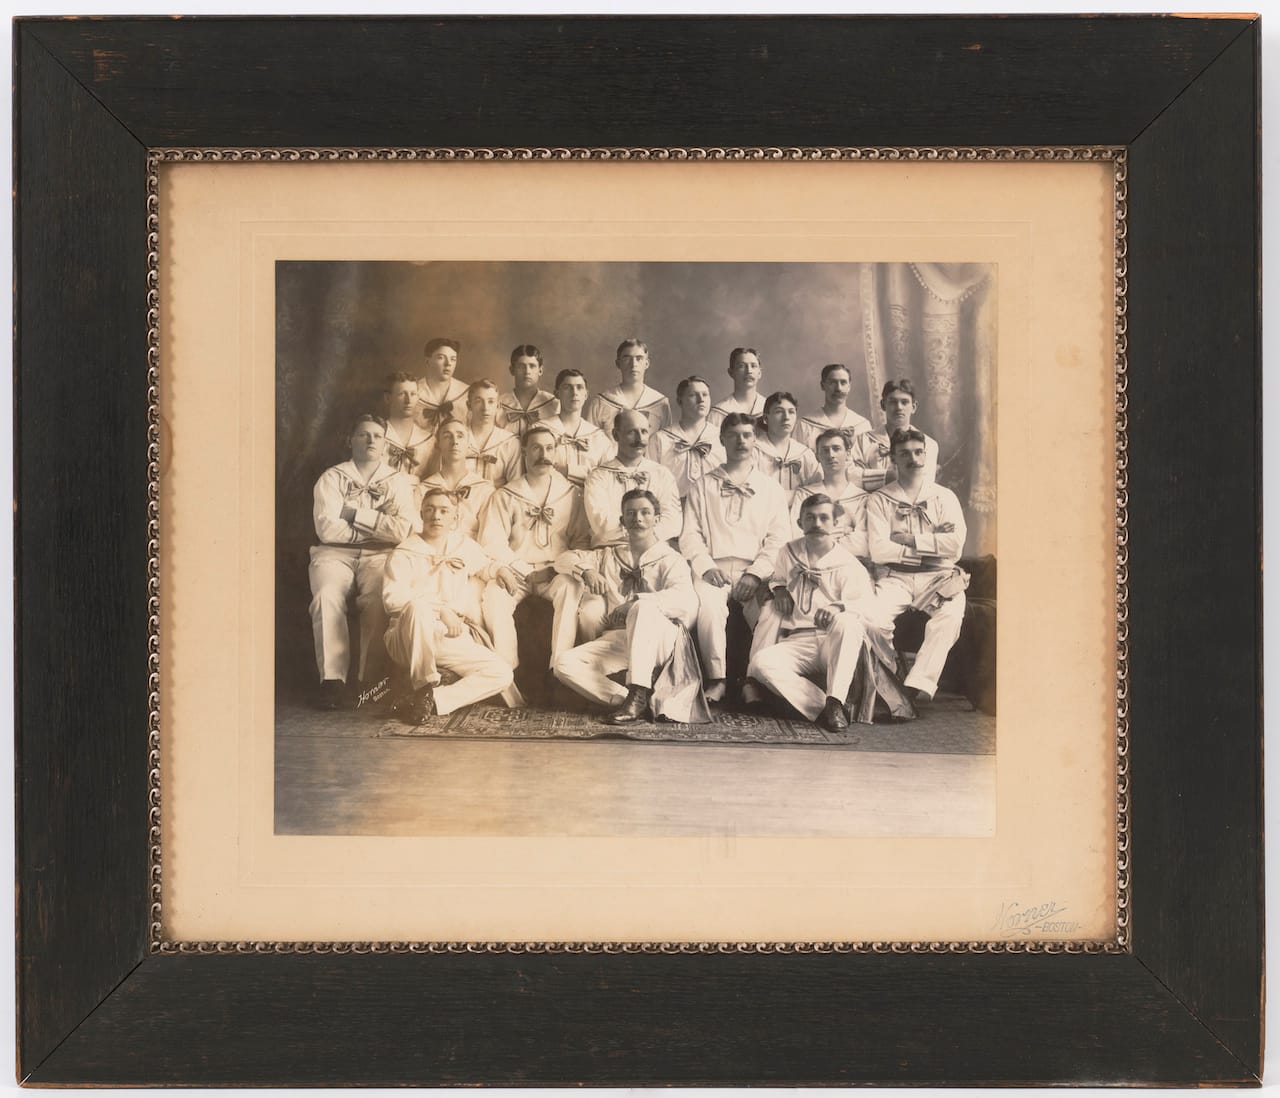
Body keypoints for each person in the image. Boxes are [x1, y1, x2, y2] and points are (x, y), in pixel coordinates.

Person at [553, 490, 707, 725]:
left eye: (645, 513)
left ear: (656, 519)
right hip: (622, 638)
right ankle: (628, 699)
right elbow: (562, 559)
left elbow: (686, 601)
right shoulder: (609, 556)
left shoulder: (671, 559)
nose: (638, 519)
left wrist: (637, 602)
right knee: (563, 664)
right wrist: (587, 571)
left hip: (661, 640)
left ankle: (638, 690)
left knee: (642, 610)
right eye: (631, 514)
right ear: (622, 521)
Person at [308, 413, 421, 708]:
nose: (371, 440)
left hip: (381, 554)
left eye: (377, 436)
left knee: (378, 598)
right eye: (363, 434)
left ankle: (367, 680)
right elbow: (327, 528)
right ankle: (332, 681)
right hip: (333, 553)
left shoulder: (397, 481)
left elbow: (402, 530)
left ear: (385, 445)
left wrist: (355, 515)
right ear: (350, 440)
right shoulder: (332, 477)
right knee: (326, 595)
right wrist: (377, 528)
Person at [680, 412, 791, 702]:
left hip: (754, 570)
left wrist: (755, 574)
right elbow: (690, 534)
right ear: (722, 439)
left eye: (747, 435)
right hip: (713, 568)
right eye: (734, 435)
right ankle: (717, 679)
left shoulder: (771, 488)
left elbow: (779, 539)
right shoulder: (702, 485)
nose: (741, 441)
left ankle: (753, 680)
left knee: (771, 612)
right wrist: (705, 567)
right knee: (709, 609)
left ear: (755, 440)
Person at [477, 425, 592, 703]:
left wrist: (554, 568)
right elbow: (491, 542)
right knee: (493, 594)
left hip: (555, 571)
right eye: (537, 448)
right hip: (518, 571)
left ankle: (559, 672)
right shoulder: (505, 495)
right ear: (524, 452)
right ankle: (508, 675)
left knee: (570, 588)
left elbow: (581, 543)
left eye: (550, 448)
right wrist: (524, 570)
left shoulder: (572, 494)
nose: (544, 455)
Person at [381, 488, 513, 725]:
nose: (436, 516)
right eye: (429, 510)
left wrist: (500, 570)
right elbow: (392, 601)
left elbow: (485, 565)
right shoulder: (404, 552)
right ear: (421, 514)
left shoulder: (462, 545)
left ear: (455, 517)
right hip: (406, 637)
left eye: (444, 511)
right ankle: (423, 684)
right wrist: (441, 610)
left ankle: (433, 699)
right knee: (417, 608)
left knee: (502, 673)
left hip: (446, 636)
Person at [747, 494, 876, 732]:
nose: (817, 524)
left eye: (823, 518)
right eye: (810, 518)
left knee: (848, 623)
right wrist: (781, 589)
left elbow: (868, 606)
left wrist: (838, 606)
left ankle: (836, 699)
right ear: (799, 523)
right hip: (800, 639)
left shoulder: (848, 564)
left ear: (835, 524)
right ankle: (822, 706)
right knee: (761, 662)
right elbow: (778, 578)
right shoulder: (789, 552)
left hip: (832, 642)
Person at [866, 427, 968, 703]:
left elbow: (955, 546)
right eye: (905, 454)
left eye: (918, 452)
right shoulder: (879, 499)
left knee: (950, 616)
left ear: (926, 455)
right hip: (895, 578)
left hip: (939, 577)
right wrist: (934, 540)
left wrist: (909, 539)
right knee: (872, 621)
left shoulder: (945, 497)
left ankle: (916, 685)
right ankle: (892, 674)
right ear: (893, 459)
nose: (913, 459)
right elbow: (879, 550)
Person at [417, 416, 494, 623]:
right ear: (438, 443)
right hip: (433, 562)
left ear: (468, 443)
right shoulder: (424, 488)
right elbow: (419, 534)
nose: (455, 441)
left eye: (460, 436)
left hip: (473, 565)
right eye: (447, 436)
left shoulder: (484, 488)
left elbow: (489, 537)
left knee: (472, 611)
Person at [582, 408, 682, 549]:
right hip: (611, 550)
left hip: (654, 550)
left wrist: (644, 538)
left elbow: (672, 521)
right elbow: (602, 524)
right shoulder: (598, 476)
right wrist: (642, 532)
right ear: (616, 435)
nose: (640, 439)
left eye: (644, 432)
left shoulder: (661, 474)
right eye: (631, 432)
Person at [794, 427, 870, 563]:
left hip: (852, 566)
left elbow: (862, 545)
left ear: (847, 454)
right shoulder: (804, 495)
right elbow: (795, 538)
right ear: (817, 456)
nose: (831, 455)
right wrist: (844, 531)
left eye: (836, 448)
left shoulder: (862, 498)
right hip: (812, 566)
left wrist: (819, 536)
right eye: (825, 450)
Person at [851, 378, 939, 491]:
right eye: (893, 402)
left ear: (914, 407)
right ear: (883, 405)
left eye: (904, 402)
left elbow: (922, 483)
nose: (899, 408)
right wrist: (888, 476)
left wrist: (870, 475)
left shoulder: (929, 444)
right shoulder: (863, 440)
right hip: (871, 503)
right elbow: (851, 477)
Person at [649, 375, 726, 501]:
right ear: (680, 401)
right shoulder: (660, 439)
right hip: (674, 508)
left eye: (705, 395)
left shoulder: (721, 437)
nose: (701, 400)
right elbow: (652, 482)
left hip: (713, 508)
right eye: (693, 395)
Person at [583, 338, 671, 437]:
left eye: (639, 358)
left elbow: (666, 445)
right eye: (627, 358)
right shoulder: (601, 402)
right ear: (618, 363)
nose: (633, 364)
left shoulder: (660, 403)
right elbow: (591, 444)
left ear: (647, 363)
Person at [544, 368, 615, 487]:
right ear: (557, 393)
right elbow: (539, 472)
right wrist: (591, 472)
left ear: (586, 394)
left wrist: (568, 471)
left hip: (589, 501)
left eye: (579, 387)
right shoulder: (542, 430)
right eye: (567, 387)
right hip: (553, 500)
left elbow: (607, 478)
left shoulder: (599, 437)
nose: (574, 392)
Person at [753, 391, 823, 498]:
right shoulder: (754, 451)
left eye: (791, 412)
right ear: (766, 419)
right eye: (779, 412)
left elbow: (818, 488)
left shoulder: (804, 454)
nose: (786, 417)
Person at [795, 363, 871, 451]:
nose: (838, 388)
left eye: (843, 382)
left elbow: (869, 462)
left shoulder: (862, 425)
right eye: (832, 383)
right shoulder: (805, 425)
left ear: (849, 386)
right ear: (823, 386)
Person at [463, 379, 521, 486]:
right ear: (469, 405)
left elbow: (515, 486)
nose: (485, 408)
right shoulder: (458, 438)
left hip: (497, 500)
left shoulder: (510, 443)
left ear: (498, 406)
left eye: (491, 401)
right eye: (478, 401)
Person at [496, 344, 559, 441]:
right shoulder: (499, 404)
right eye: (521, 366)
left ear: (540, 370)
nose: (527, 372)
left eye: (532, 366)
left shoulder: (553, 404)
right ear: (512, 370)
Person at [380, 371, 433, 485]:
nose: (408, 401)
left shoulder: (429, 440)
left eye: (413, 394)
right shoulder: (376, 435)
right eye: (402, 394)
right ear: (388, 398)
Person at [413, 337, 470, 435]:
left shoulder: (467, 393)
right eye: (441, 357)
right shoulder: (412, 391)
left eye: (453, 359)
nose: (448, 364)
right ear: (427, 361)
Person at [708, 346, 767, 425]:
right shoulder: (718, 413)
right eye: (741, 366)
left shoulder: (769, 409)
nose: (749, 371)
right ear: (731, 372)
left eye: (753, 366)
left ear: (759, 373)